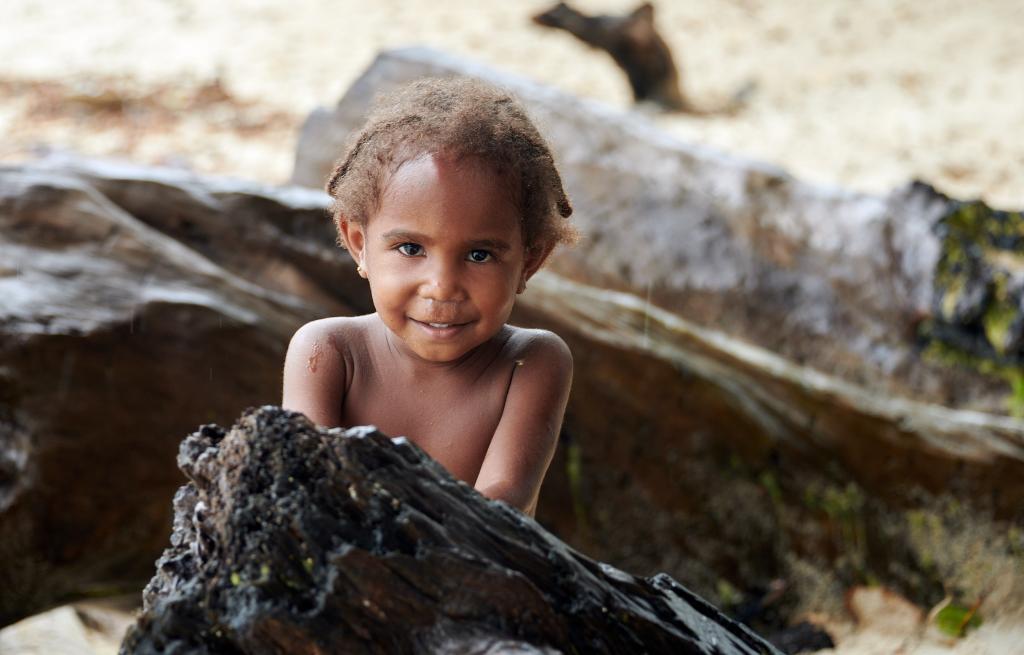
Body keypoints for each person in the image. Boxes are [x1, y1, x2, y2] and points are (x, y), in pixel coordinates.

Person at [282, 77, 577, 517]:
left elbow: (499, 507)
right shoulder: (329, 352)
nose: (441, 286)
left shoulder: (531, 362)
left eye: (479, 254)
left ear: (530, 260)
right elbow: (305, 486)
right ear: (358, 242)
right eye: (410, 248)